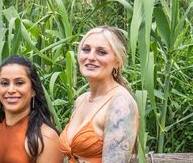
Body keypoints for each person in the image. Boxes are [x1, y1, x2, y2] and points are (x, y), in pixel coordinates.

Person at [59, 26, 139, 163]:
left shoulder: (120, 104)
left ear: (117, 62)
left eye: (101, 52)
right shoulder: (82, 100)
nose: (90, 57)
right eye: (86, 50)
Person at [0, 55, 62, 163]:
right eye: (4, 83)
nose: (11, 90)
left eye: (19, 83)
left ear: (33, 90)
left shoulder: (46, 137)